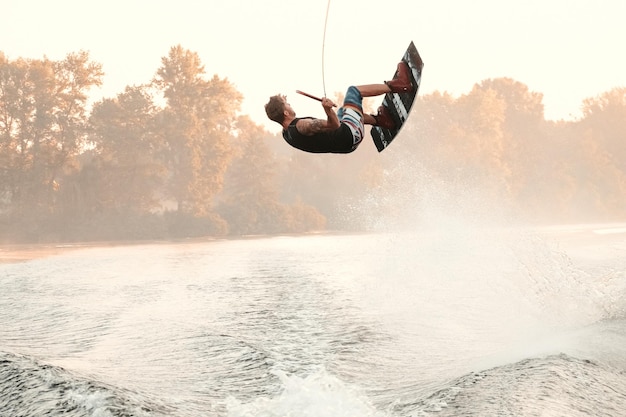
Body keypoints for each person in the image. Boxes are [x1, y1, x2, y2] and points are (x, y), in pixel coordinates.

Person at [264, 62, 413, 154]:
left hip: (347, 145)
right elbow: (333, 125)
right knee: (353, 92)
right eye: (287, 104)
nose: (290, 105)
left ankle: (381, 120)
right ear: (285, 112)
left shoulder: (287, 134)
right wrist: (328, 110)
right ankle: (400, 85)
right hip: (351, 133)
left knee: (343, 111)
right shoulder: (301, 126)